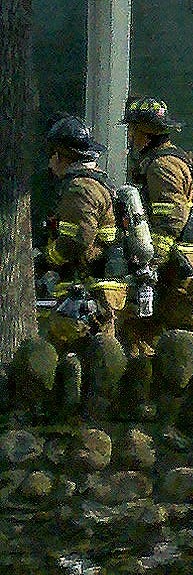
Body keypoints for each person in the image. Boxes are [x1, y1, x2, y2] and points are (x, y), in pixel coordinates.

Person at [122, 96, 193, 368]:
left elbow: (171, 218)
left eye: (132, 130)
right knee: (140, 331)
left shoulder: (163, 166)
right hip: (171, 264)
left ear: (146, 133)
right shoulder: (157, 161)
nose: (130, 137)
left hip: (179, 265)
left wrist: (152, 262)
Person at [33, 116, 127, 420]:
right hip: (100, 286)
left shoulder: (79, 187)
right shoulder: (100, 182)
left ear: (60, 155)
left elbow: (77, 240)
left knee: (64, 348)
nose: (50, 164)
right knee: (97, 355)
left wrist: (45, 259)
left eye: (52, 156)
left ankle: (78, 420)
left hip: (90, 288)